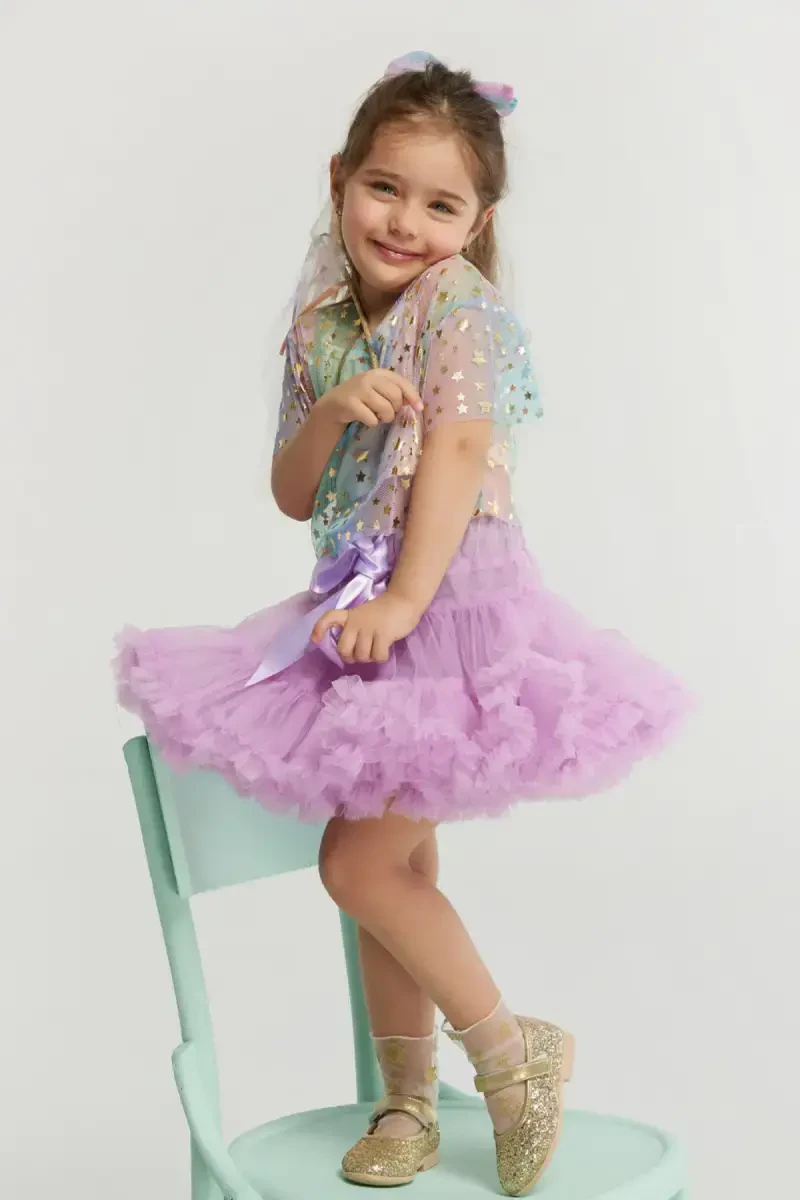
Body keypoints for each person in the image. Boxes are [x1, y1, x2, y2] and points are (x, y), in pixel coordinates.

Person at [114, 51, 693, 1196]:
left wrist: (407, 602)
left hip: (450, 600)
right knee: (398, 865)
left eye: (440, 205)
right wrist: (333, 408)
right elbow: (293, 493)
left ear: (478, 221)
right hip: (360, 607)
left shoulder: (459, 313)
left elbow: (459, 452)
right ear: (339, 179)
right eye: (384, 188)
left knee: (357, 864)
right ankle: (407, 1097)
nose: (404, 223)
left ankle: (510, 1052)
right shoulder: (324, 324)